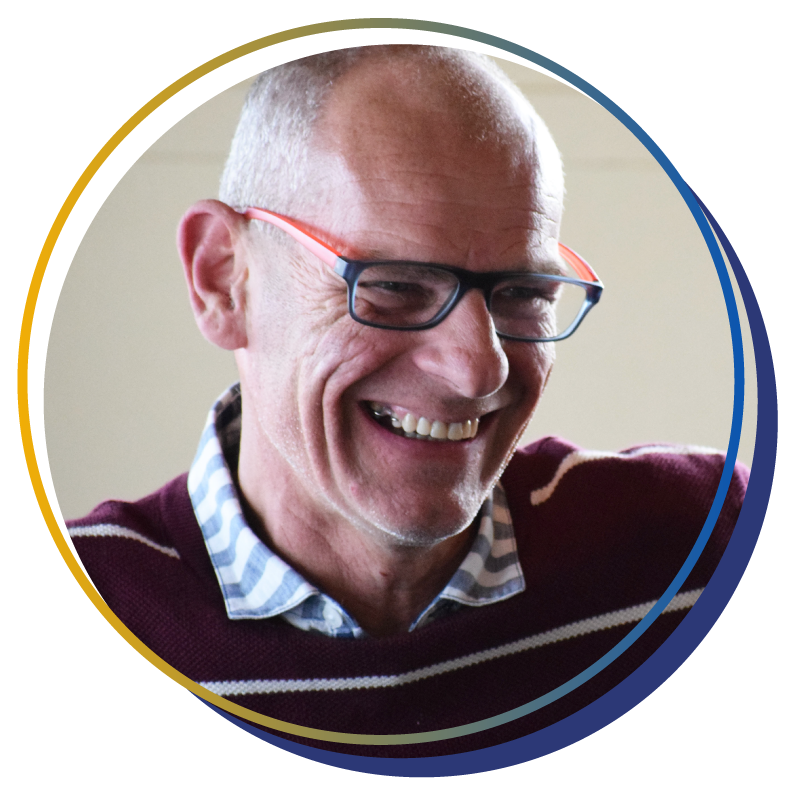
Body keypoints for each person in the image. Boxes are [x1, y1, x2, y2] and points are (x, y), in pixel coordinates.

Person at [67, 45, 748, 756]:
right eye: (394, 285)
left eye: (523, 293)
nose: (477, 370)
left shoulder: (697, 553)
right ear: (223, 280)